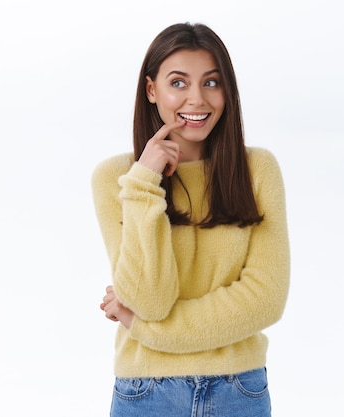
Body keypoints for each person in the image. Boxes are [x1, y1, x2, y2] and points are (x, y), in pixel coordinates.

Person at [91, 22, 290, 417]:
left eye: (211, 83)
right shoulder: (117, 179)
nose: (197, 100)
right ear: (152, 90)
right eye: (178, 83)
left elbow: (265, 300)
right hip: (146, 392)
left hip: (240, 390)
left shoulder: (258, 170)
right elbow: (149, 299)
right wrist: (144, 183)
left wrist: (146, 329)